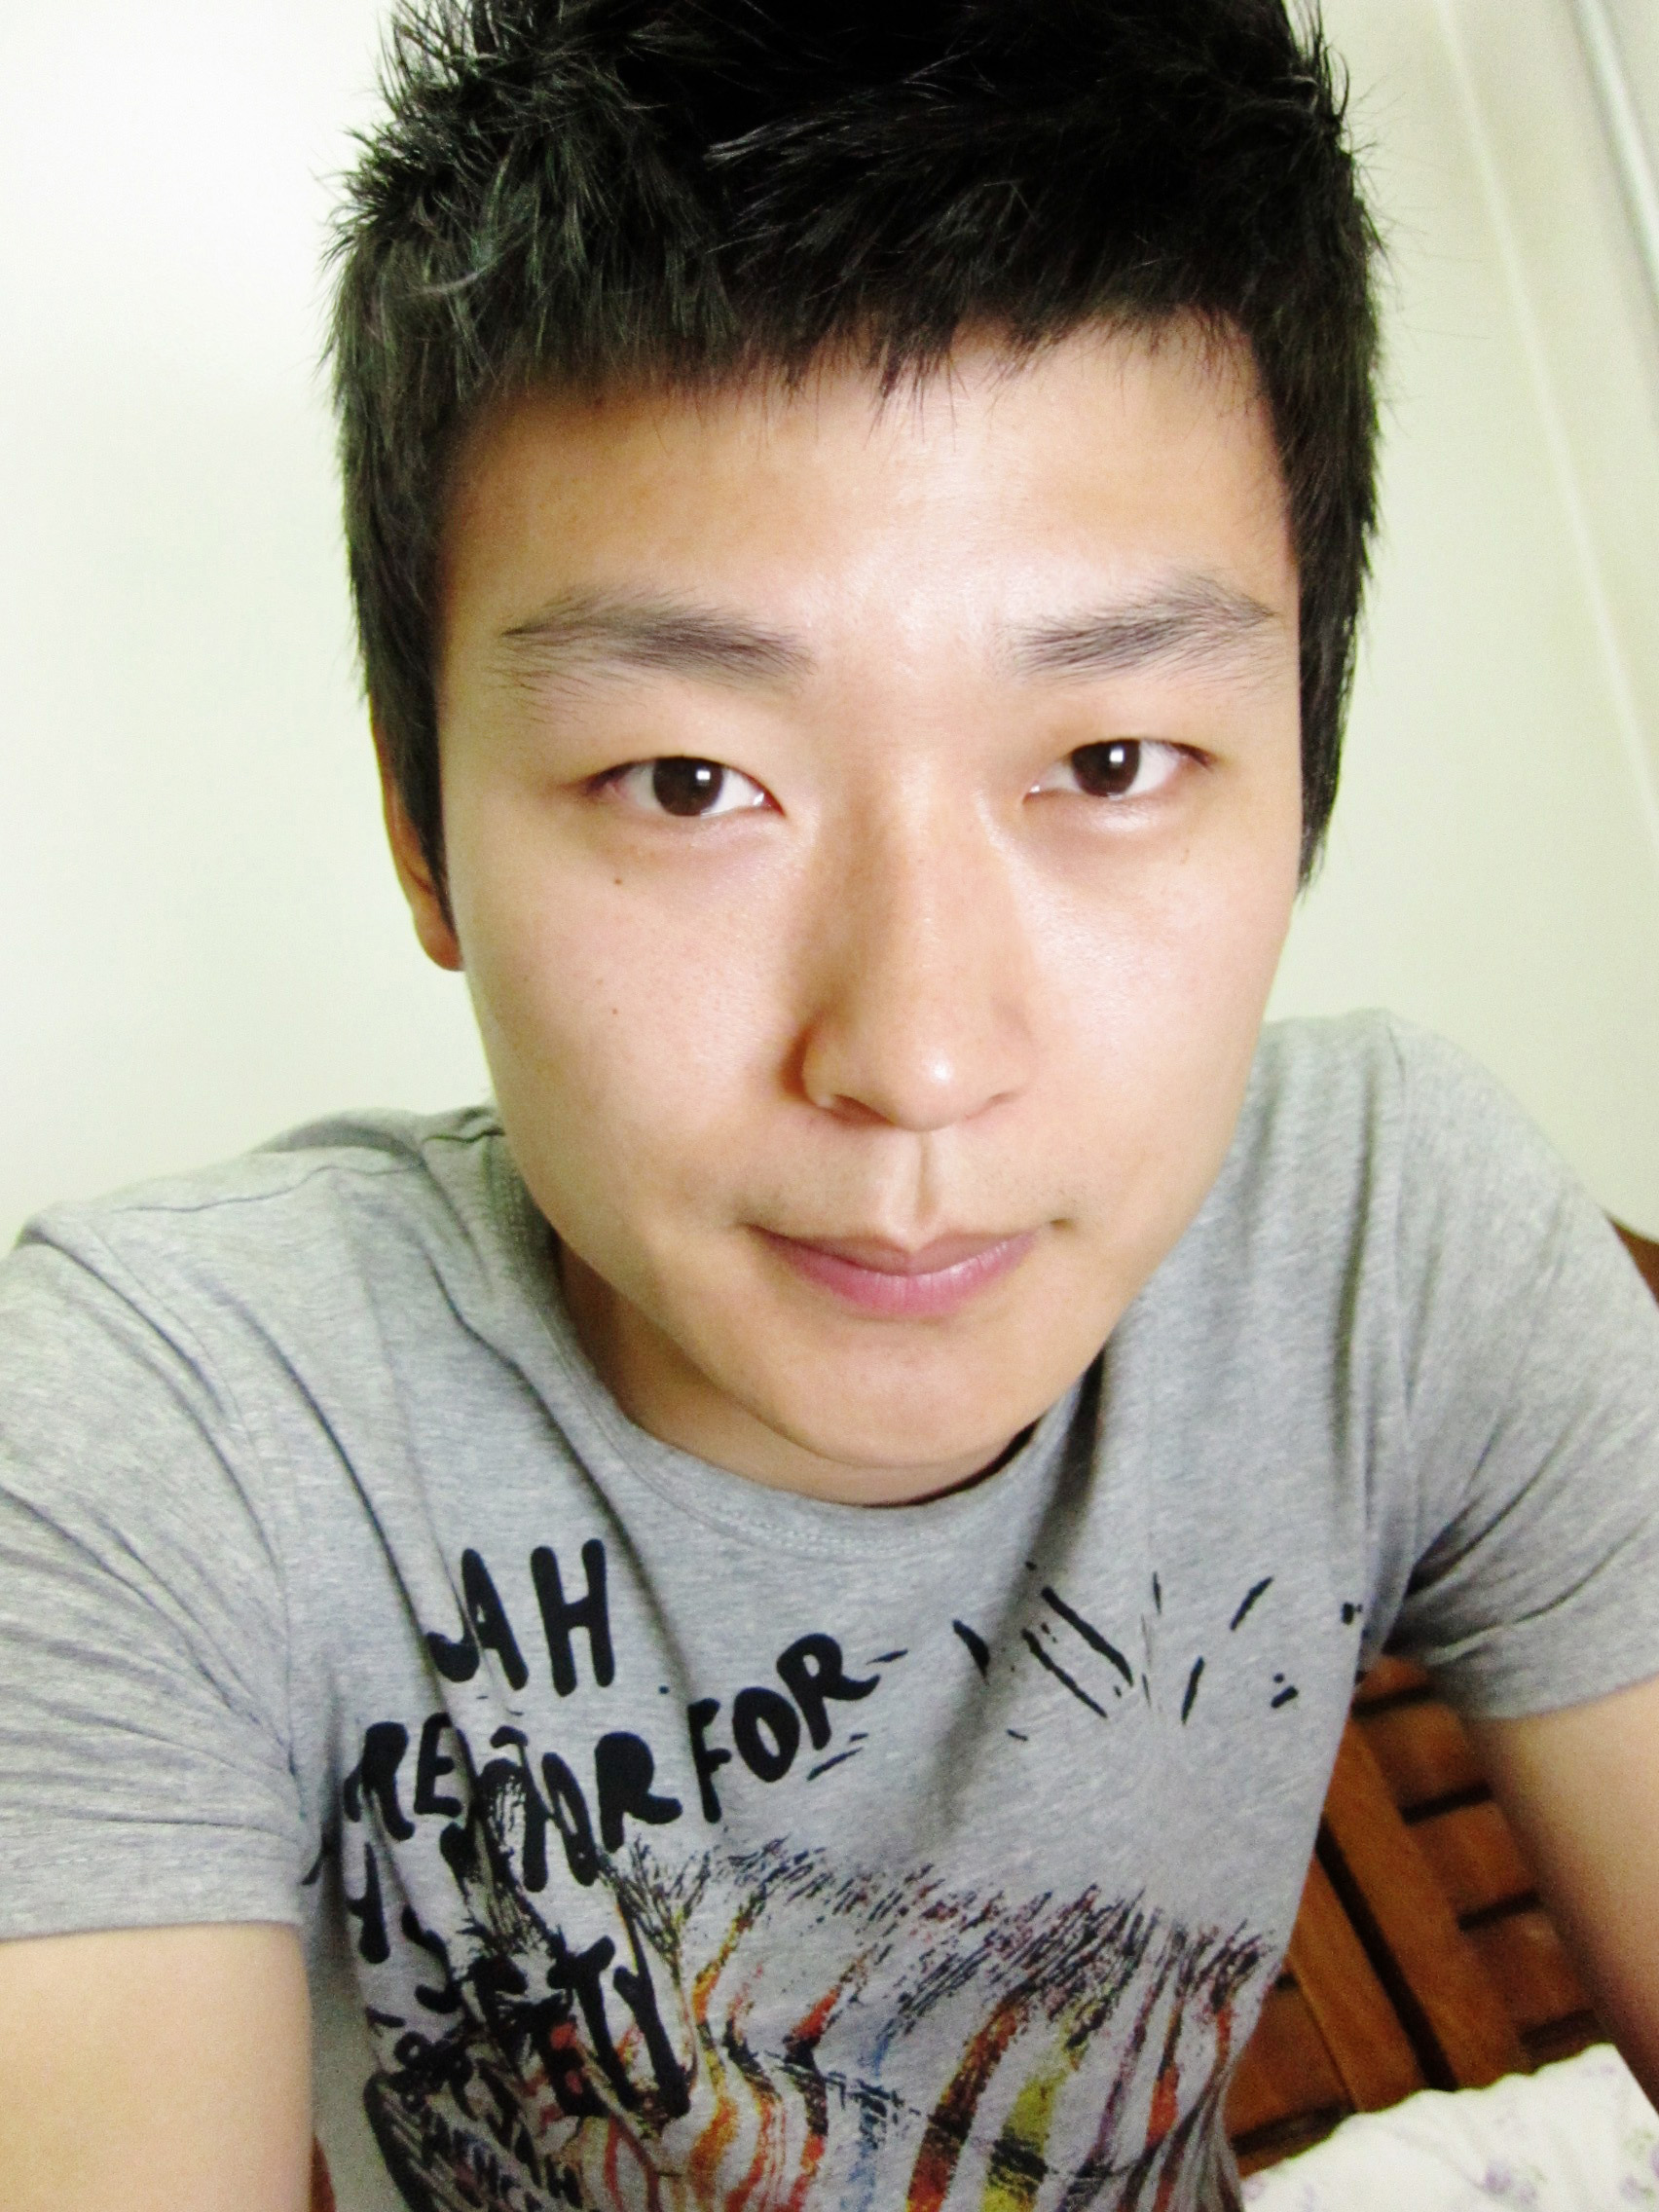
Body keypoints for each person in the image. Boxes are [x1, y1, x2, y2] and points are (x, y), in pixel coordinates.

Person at [2, 2, 1657, 2207]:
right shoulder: (179, 1431)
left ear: (1304, 786)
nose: (916, 1053)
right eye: (690, 780)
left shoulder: (1396, 1243)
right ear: (422, 827)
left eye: (1108, 761)